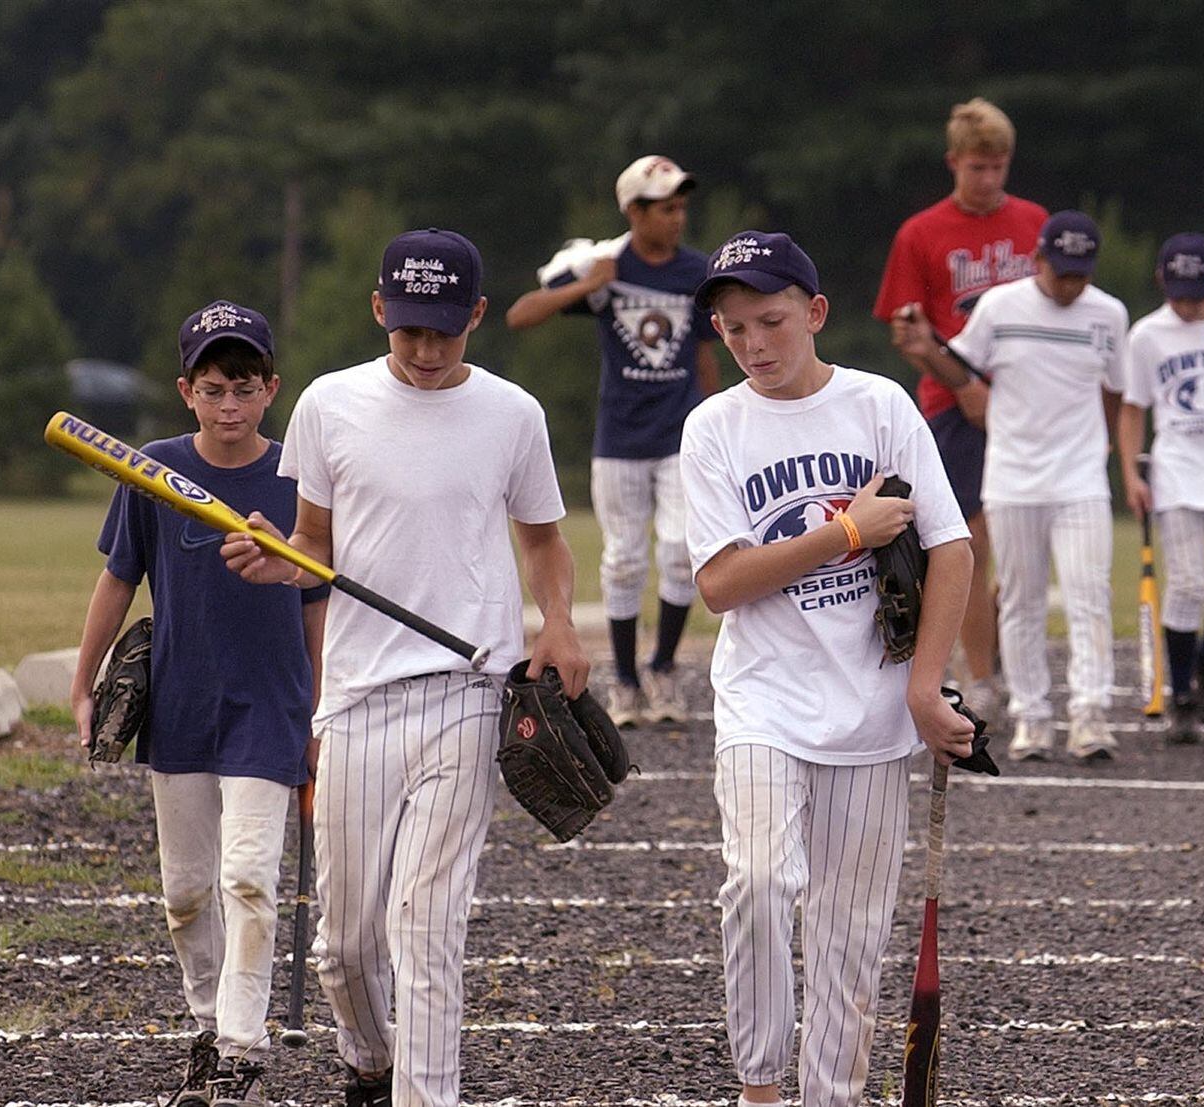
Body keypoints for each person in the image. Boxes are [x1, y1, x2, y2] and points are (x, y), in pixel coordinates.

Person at [221, 228, 590, 1106]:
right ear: (380, 309)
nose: (426, 351)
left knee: (425, 925)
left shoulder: (513, 414)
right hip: (355, 700)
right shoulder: (326, 404)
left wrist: (560, 622)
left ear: (479, 316)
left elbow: (543, 541)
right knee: (346, 946)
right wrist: (281, 558)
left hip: (468, 690)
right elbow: (314, 544)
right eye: (409, 329)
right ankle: (370, 1061)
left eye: (446, 331)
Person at [681, 231, 974, 1107]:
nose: (754, 344)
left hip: (876, 711)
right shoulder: (714, 427)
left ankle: (830, 1096)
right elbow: (722, 583)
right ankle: (761, 1087)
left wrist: (925, 687)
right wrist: (847, 532)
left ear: (814, 313)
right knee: (762, 881)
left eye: (769, 321)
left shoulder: (879, 405)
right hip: (764, 702)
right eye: (733, 330)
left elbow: (950, 548)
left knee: (850, 936)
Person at [70, 300, 328, 1105]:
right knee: (187, 894)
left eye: (244, 388)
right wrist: (82, 683)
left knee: (249, 877)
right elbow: (118, 579)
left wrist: (321, 709)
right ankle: (211, 1028)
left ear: (270, 390)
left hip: (271, 704)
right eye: (213, 388)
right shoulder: (153, 470)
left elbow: (317, 599)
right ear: (187, 391)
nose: (229, 405)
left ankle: (242, 1055)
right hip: (181, 707)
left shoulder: (296, 478)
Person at [895, 210, 1128, 763]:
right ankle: (1032, 716)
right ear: (1040, 260)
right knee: (1020, 599)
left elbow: (1115, 387)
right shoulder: (1000, 306)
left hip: (1080, 478)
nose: (1070, 285)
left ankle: (1090, 714)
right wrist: (926, 348)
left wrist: (1106, 443)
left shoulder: (1110, 314)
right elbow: (963, 369)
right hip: (1014, 476)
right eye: (1061, 272)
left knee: (1088, 593)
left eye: (1081, 275)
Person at [505, 155, 719, 729]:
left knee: (680, 551)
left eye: (681, 207)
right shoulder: (605, 265)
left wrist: (713, 417)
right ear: (634, 212)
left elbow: (704, 353)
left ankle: (664, 668)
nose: (677, 218)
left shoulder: (696, 272)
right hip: (620, 437)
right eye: (665, 208)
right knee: (624, 559)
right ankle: (624, 681)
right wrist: (591, 284)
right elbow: (521, 315)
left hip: (679, 433)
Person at [873, 97, 1048, 715]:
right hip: (953, 406)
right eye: (978, 167)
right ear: (954, 162)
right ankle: (980, 675)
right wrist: (964, 386)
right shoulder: (922, 233)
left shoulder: (1035, 224)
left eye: (999, 166)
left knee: (1025, 539)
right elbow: (907, 328)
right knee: (966, 539)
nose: (990, 179)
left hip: (1029, 402)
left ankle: (1005, 656)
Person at [1118, 233, 1204, 745]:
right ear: (1161, 282)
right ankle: (1182, 695)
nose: (1186, 302)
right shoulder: (1147, 335)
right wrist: (1132, 473)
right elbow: (1133, 408)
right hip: (1176, 470)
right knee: (1189, 584)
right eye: (1177, 291)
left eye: (1197, 291)